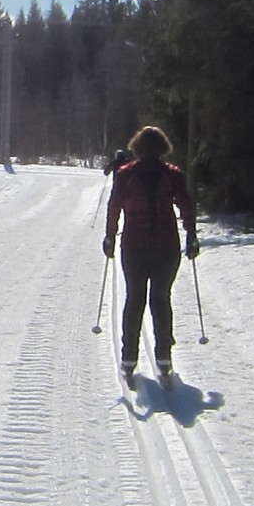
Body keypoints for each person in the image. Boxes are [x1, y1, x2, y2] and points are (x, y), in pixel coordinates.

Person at [102, 125, 198, 384]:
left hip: (134, 245)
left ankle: (128, 358)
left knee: (134, 298)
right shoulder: (173, 174)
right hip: (166, 246)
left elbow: (114, 207)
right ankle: (164, 357)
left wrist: (110, 235)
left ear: (137, 147)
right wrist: (191, 235)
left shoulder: (125, 174)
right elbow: (187, 205)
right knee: (161, 298)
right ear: (162, 147)